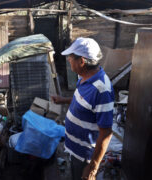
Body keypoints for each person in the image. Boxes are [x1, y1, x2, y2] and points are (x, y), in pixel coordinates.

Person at [52, 37, 114, 180]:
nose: (68, 60)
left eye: (71, 57)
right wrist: (64, 100)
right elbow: (82, 100)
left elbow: (106, 133)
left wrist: (93, 166)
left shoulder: (102, 90)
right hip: (75, 149)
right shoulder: (83, 77)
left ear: (82, 61)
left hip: (85, 156)